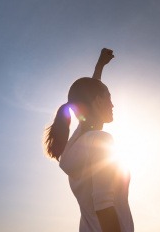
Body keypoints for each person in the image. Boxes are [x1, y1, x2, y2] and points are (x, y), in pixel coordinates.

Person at [43, 48, 134, 232]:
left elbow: (86, 98)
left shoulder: (76, 144)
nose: (113, 104)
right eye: (109, 98)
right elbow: (103, 206)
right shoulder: (100, 141)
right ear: (98, 101)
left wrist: (99, 67)